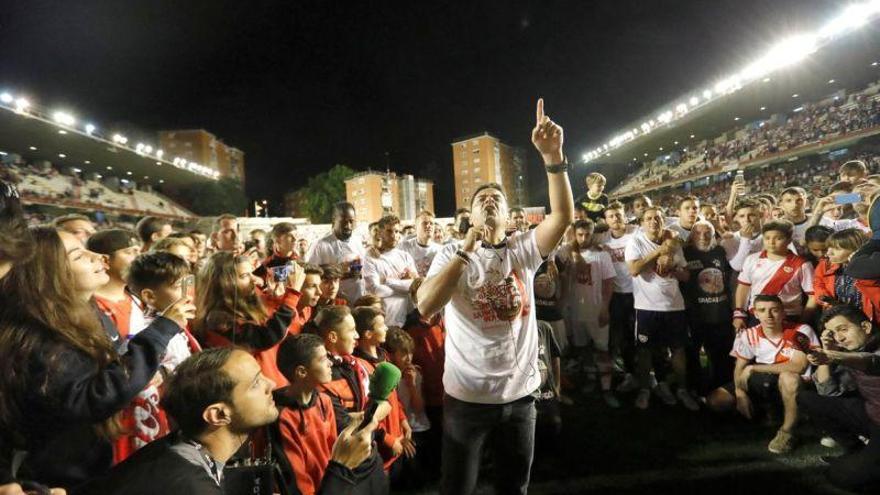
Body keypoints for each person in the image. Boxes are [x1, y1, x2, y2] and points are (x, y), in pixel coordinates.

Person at [416, 98, 573, 495]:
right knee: (458, 487)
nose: (489, 200)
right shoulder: (451, 255)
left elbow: (562, 217)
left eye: (497, 199)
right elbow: (426, 305)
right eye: (480, 199)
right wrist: (466, 249)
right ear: (468, 216)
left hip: (520, 397)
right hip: (466, 398)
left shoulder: (522, 249)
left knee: (512, 486)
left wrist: (553, 157)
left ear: (508, 216)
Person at [0, 227, 192, 489]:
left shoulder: (84, 314)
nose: (97, 257)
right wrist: (161, 331)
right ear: (49, 273)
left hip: (97, 465)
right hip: (60, 480)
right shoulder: (36, 334)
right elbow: (91, 397)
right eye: (79, 255)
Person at [80, 348, 373, 495]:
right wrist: (341, 471)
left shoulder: (171, 452)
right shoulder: (187, 486)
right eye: (256, 383)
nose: (272, 384)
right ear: (218, 415)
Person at [113, 252, 202, 463]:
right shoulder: (144, 331)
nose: (188, 292)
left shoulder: (178, 324)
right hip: (159, 422)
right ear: (150, 297)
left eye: (188, 283)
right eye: (178, 286)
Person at [706, 295, 817, 454]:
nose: (769, 315)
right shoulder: (749, 334)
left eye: (774, 310)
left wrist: (755, 368)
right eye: (762, 310)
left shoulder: (801, 330)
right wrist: (740, 393)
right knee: (716, 401)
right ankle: (766, 411)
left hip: (796, 382)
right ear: (755, 314)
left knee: (789, 378)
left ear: (783, 312)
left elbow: (799, 366)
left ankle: (788, 431)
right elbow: (740, 367)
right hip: (765, 380)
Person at [195, 252, 310, 388]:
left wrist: (276, 300)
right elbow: (265, 337)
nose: (253, 280)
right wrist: (292, 295)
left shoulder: (249, 303)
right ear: (224, 283)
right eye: (244, 276)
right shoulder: (216, 318)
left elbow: (288, 332)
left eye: (252, 273)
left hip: (274, 382)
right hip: (252, 388)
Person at [273, 333, 370, 495]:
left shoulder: (324, 401)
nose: (330, 363)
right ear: (302, 372)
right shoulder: (282, 417)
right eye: (323, 359)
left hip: (333, 485)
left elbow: (333, 452)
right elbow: (296, 479)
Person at [798, 304, 880, 491]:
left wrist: (833, 355)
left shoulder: (850, 355)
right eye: (834, 333)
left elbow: (872, 361)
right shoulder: (847, 351)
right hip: (870, 414)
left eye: (844, 329)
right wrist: (827, 351)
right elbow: (829, 392)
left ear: (866, 327)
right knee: (807, 399)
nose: (840, 337)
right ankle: (856, 451)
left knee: (841, 477)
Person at [624, 207, 698, 411]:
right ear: (642, 223)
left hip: (675, 305)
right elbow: (634, 270)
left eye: (657, 218)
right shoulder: (636, 242)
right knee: (645, 351)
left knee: (678, 349)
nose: (653, 221)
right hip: (646, 307)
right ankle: (645, 389)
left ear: (663, 220)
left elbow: (686, 275)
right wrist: (659, 251)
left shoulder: (674, 245)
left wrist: (672, 266)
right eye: (648, 218)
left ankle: (682, 389)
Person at [314, 306, 391, 493]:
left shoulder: (358, 365)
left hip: (371, 456)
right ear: (332, 337)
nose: (357, 336)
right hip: (348, 468)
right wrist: (375, 413)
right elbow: (346, 426)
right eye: (351, 330)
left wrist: (368, 415)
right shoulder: (323, 377)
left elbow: (384, 405)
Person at [564, 218, 618, 407]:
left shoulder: (602, 255)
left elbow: (609, 283)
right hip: (577, 311)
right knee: (584, 348)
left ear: (593, 233)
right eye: (580, 234)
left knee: (602, 349)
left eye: (587, 234)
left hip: (596, 310)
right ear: (574, 235)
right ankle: (590, 379)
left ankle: (606, 388)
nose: (584, 238)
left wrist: (605, 307)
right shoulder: (567, 253)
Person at [734, 220, 816, 331]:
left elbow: (813, 296)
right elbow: (744, 287)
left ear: (789, 240)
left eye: (778, 238)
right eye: (767, 238)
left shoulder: (802, 264)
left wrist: (803, 322)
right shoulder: (751, 259)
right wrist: (739, 314)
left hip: (789, 316)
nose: (771, 242)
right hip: (758, 315)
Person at [682, 221, 734, 393]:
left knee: (721, 354)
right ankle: (696, 389)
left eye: (707, 233)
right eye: (698, 233)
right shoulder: (685, 253)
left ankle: (722, 389)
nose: (703, 236)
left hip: (721, 314)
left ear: (713, 235)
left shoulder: (721, 251)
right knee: (692, 355)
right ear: (692, 236)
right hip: (695, 315)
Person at [598, 201, 639, 392]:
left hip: (640, 292)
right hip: (617, 294)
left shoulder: (637, 232)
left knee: (643, 335)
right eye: (611, 216)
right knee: (622, 336)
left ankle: (652, 374)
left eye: (618, 214)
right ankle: (631, 373)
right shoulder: (602, 240)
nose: (615, 218)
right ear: (606, 220)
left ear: (625, 214)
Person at [384, 328, 429, 489]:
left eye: (410, 352)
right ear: (390, 354)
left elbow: (419, 408)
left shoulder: (414, 372)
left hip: (417, 427)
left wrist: (412, 386)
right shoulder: (386, 376)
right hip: (397, 430)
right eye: (403, 353)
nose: (408, 358)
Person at [363, 215, 419, 328]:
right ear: (380, 233)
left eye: (397, 231)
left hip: (409, 316)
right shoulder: (370, 258)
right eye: (389, 231)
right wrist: (404, 287)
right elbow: (376, 290)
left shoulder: (405, 256)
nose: (394, 235)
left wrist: (388, 281)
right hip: (387, 320)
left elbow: (415, 285)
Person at [307, 202, 367, 303]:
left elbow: (363, 267)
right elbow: (310, 274)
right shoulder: (320, 245)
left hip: (359, 298)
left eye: (351, 221)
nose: (348, 226)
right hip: (334, 302)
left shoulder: (356, 241)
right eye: (343, 222)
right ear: (334, 220)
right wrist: (337, 270)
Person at [88, 229, 143, 339]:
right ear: (104, 260)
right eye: (129, 252)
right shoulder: (85, 305)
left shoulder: (138, 300)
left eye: (139, 252)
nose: (139, 257)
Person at [813, 229, 878, 320]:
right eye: (829, 248)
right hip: (838, 318)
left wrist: (860, 265)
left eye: (837, 249)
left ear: (856, 250)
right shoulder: (825, 265)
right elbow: (818, 283)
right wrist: (822, 297)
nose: (828, 253)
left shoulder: (873, 269)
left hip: (866, 321)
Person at [398, 210, 440, 277]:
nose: (429, 226)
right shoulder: (403, 247)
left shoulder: (440, 250)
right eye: (425, 223)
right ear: (415, 227)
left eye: (431, 223)